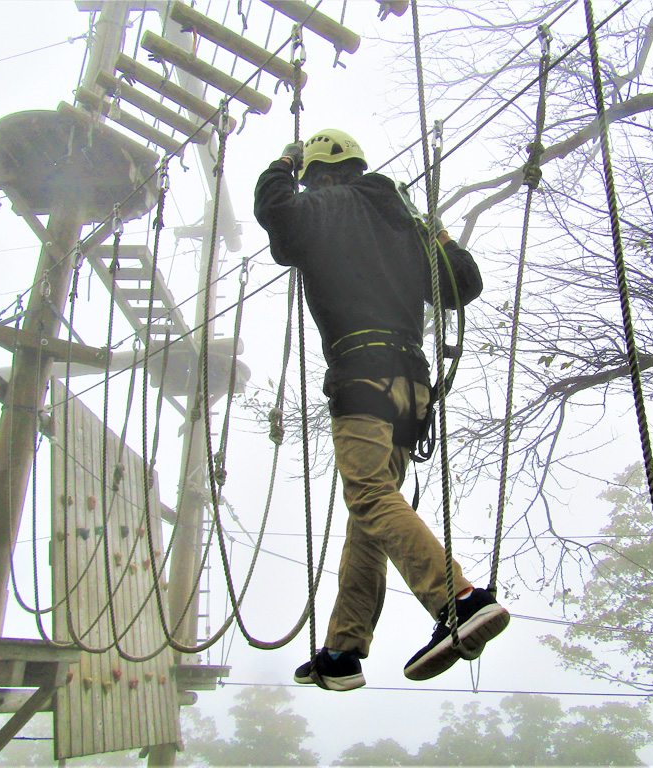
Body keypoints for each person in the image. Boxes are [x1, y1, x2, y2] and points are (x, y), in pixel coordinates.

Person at [254, 129, 509, 691]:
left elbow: (276, 211)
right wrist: (432, 229)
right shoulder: (404, 223)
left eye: (308, 175)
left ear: (317, 175)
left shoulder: (320, 205)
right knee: (370, 511)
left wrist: (281, 160)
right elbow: (463, 284)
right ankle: (344, 650)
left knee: (369, 497)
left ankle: (459, 601)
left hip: (361, 378)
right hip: (412, 389)